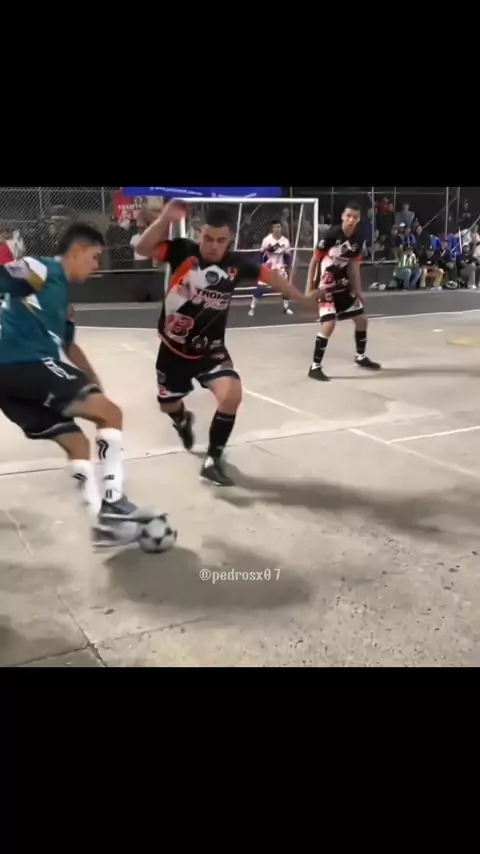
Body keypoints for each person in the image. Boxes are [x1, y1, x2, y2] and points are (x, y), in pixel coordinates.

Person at [136, 201, 322, 486]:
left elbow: (272, 277)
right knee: (168, 405)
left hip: (211, 350)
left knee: (232, 394)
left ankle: (213, 460)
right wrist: (164, 218)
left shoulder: (237, 265)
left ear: (230, 240)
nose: (213, 246)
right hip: (173, 350)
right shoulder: (183, 251)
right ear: (199, 234)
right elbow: (143, 248)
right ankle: (182, 420)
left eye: (221, 240)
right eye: (208, 238)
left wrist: (303, 298)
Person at [0, 222, 154, 545]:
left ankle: (102, 525)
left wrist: (94, 381)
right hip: (23, 364)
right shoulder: (42, 269)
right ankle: (114, 502)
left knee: (77, 444)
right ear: (77, 251)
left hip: (10, 384)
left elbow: (69, 346)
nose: (97, 265)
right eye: (95, 257)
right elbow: (9, 275)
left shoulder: (62, 301)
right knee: (111, 415)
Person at [305, 201, 381, 382]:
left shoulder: (358, 238)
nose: (351, 220)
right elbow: (314, 261)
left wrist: (358, 289)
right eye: (348, 216)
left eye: (355, 217)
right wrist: (310, 288)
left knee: (362, 320)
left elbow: (353, 265)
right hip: (325, 285)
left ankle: (360, 357)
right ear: (342, 217)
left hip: (343, 284)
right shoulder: (330, 235)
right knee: (329, 324)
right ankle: (315, 367)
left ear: (359, 219)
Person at [249, 220, 293, 317]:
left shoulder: (285, 241)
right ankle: (252, 307)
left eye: (279, 227)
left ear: (281, 228)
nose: (277, 229)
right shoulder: (267, 240)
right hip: (268, 268)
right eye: (275, 227)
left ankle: (286, 308)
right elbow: (262, 254)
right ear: (272, 229)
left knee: (285, 289)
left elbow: (287, 255)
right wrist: (261, 265)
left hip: (280, 268)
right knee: (261, 289)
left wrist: (289, 265)